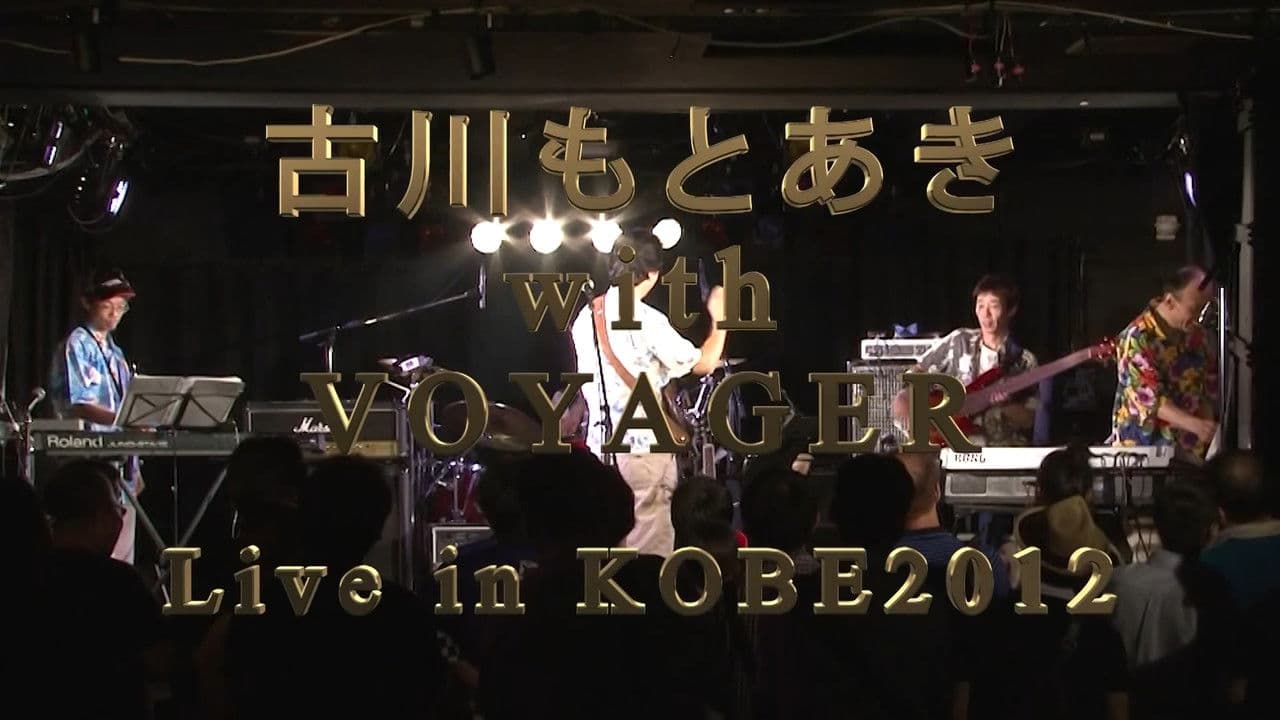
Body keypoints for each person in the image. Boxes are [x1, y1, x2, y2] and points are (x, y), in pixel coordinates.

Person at [569, 230, 727, 558]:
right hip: (643, 452)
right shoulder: (646, 320)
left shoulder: (586, 317)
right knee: (649, 556)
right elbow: (704, 363)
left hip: (601, 451)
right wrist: (720, 321)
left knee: (609, 552)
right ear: (653, 273)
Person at [47, 268, 142, 564]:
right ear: (88, 303)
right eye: (107, 306)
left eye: (121, 307)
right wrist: (125, 420)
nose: (114, 314)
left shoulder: (117, 354)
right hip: (88, 462)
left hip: (119, 461)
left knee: (123, 551)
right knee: (92, 545)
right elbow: (79, 403)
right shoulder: (78, 344)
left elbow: (129, 407)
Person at [897, 273, 1040, 447]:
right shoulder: (958, 340)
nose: (985, 314)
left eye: (993, 306)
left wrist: (1005, 407)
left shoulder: (1023, 361)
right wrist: (916, 405)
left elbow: (1030, 419)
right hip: (951, 442)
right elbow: (914, 375)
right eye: (980, 305)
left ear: (1011, 310)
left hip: (998, 448)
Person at [1109, 265, 1218, 462]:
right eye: (1194, 310)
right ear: (1170, 302)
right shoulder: (1137, 337)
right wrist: (1195, 425)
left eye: (1204, 309)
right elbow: (1149, 399)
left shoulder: (1197, 336)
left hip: (1190, 451)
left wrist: (1208, 427)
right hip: (1144, 451)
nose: (1199, 318)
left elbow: (1207, 385)